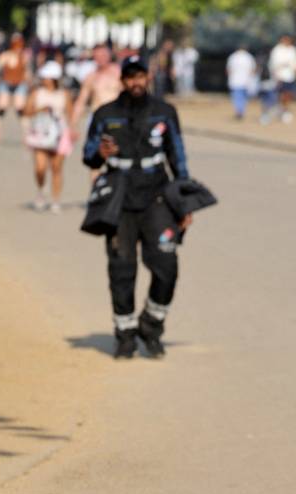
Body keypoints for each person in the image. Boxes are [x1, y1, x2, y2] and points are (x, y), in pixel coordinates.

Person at [83, 56, 193, 359]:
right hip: (119, 201)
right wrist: (99, 153)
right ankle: (126, 334)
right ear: (122, 80)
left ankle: (151, 325)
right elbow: (89, 154)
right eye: (130, 77)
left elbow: (178, 157)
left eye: (140, 76)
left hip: (157, 198)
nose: (136, 82)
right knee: (121, 269)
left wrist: (184, 203)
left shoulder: (164, 112)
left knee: (167, 267)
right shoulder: (106, 114)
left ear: (148, 77)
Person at [24, 61, 72, 213]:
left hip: (59, 133)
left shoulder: (64, 94)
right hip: (40, 133)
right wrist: (40, 109)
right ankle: (41, 190)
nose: (45, 79)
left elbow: (69, 114)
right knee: (40, 168)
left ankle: (55, 199)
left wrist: (72, 131)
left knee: (56, 167)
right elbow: (27, 112)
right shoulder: (37, 93)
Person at [70, 44, 122, 136]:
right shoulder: (91, 77)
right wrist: (73, 125)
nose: (100, 59)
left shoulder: (119, 73)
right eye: (97, 56)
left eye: (103, 55)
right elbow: (81, 102)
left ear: (109, 55)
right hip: (97, 117)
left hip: (116, 117)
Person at [0, 33, 30, 145]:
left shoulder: (24, 56)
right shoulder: (6, 55)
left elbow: (27, 72)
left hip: (20, 84)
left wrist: (29, 82)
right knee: (2, 107)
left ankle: (26, 134)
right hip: (6, 83)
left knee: (20, 108)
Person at [268, 35, 296, 123]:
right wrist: (276, 75)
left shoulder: (292, 50)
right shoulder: (277, 50)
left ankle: (285, 110)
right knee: (281, 95)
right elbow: (274, 64)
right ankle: (281, 110)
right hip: (280, 76)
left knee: (288, 94)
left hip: (290, 76)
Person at [226, 44, 256, 121]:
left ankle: (239, 111)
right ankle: (241, 111)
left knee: (237, 98)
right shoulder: (249, 57)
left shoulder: (233, 57)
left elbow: (229, 70)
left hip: (235, 81)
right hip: (246, 81)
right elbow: (253, 70)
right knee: (243, 98)